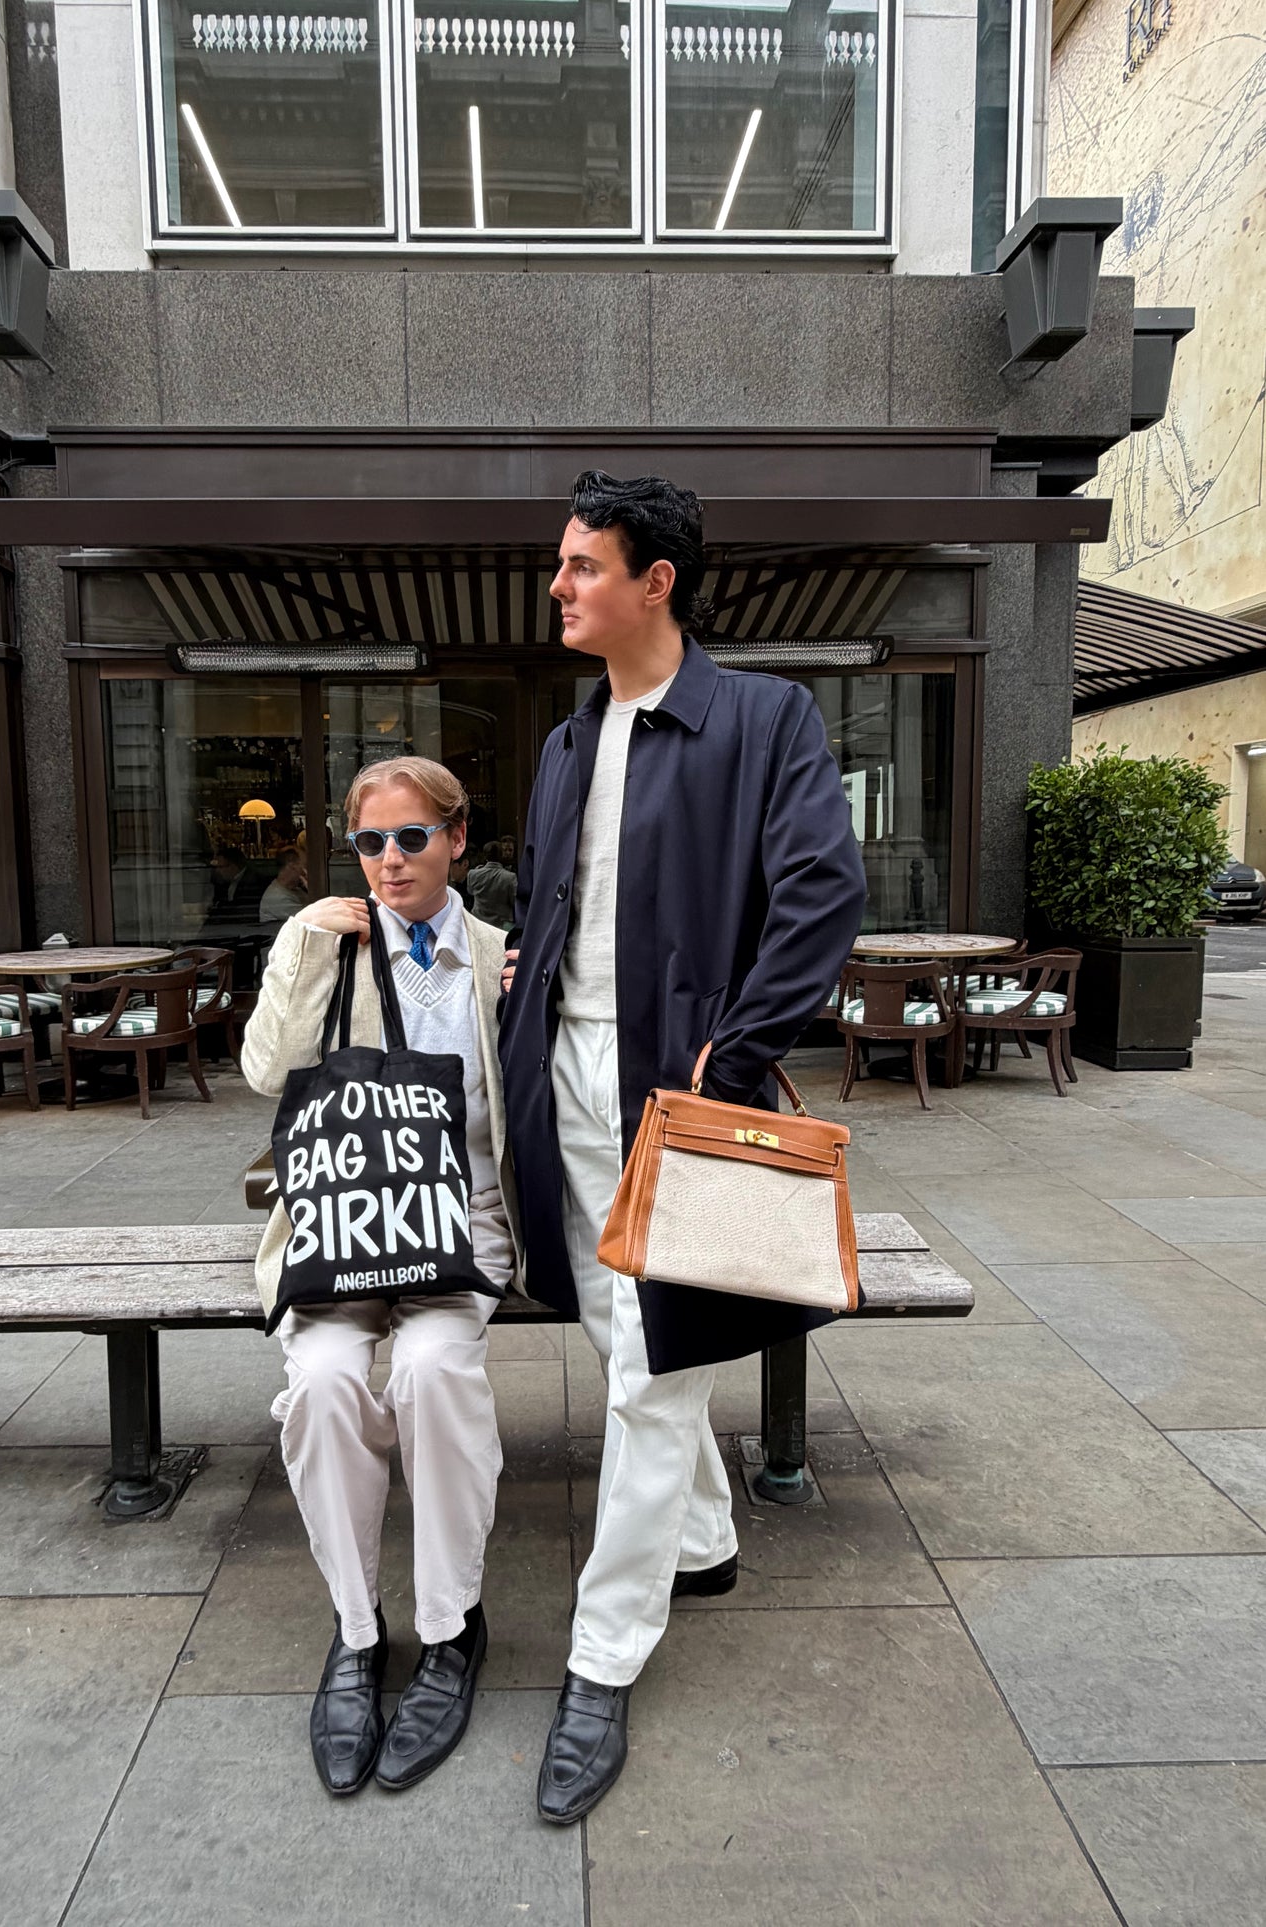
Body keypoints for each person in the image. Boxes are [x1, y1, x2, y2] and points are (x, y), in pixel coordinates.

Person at [499, 471, 866, 1825]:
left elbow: (823, 891)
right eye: (561, 563)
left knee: (652, 1364)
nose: (559, 586)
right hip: (568, 1084)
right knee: (616, 1324)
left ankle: (602, 1657)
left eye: (582, 565)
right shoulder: (560, 741)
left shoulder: (762, 717)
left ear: (656, 580)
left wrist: (739, 1036)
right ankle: (702, 1538)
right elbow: (558, 905)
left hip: (686, 1090)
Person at [241, 755, 520, 1799]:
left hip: (461, 1220)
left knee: (435, 1368)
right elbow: (267, 1071)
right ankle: (358, 1635)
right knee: (318, 1383)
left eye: (411, 837)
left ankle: (450, 1629)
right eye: (370, 842)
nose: (390, 860)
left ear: (455, 837)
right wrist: (311, 947)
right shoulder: (323, 937)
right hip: (345, 1222)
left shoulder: (495, 953)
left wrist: (521, 994)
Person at [204, 845, 267, 930]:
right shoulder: (225, 882)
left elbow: (245, 911)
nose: (217, 871)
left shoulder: (253, 883)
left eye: (221, 867)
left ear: (233, 866)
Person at [465, 840, 517, 930]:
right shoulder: (510, 877)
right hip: (501, 925)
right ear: (501, 855)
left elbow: (470, 891)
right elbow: (514, 901)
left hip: (477, 922)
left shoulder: (473, 874)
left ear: (485, 856)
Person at [260, 845, 309, 924]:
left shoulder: (296, 890)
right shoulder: (277, 897)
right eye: (305, 865)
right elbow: (312, 919)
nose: (307, 871)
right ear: (292, 865)